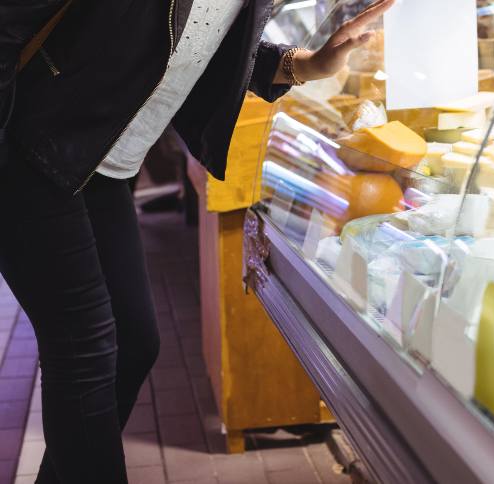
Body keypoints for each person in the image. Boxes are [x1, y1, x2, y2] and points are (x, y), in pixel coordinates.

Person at [0, 0, 394, 482]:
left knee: (134, 343)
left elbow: (210, 47)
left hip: (100, 163)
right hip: (26, 148)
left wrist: (309, 65)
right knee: (85, 350)